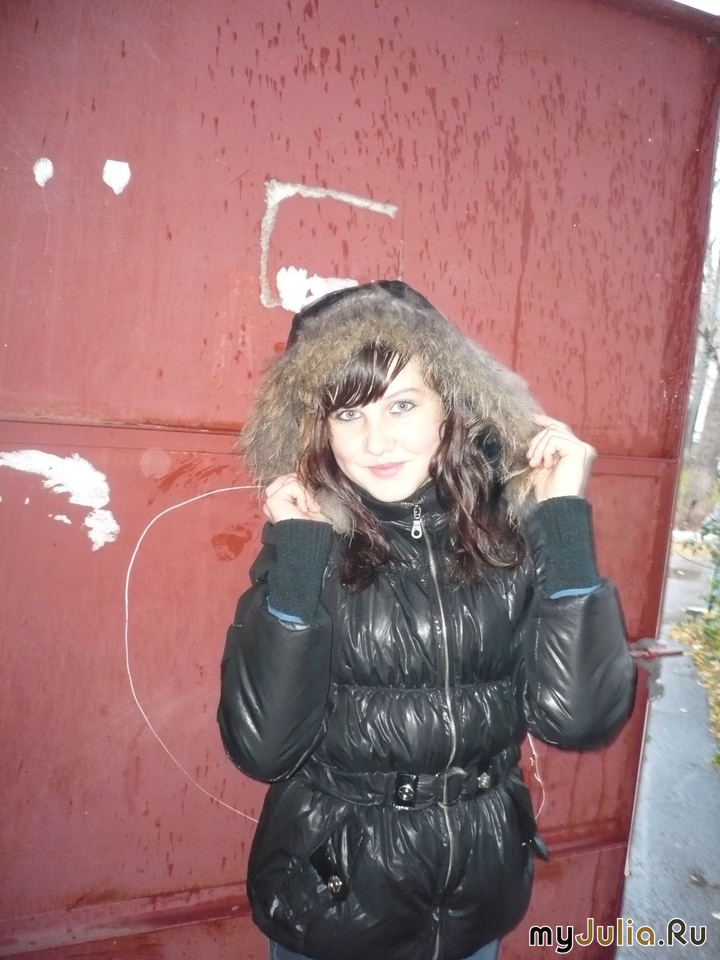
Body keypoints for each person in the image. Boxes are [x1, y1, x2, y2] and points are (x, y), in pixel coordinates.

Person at [218, 281, 636, 960]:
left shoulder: (509, 536)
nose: (376, 440)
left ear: (450, 402)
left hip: (475, 904)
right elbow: (263, 750)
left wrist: (561, 519)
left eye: (402, 405)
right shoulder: (307, 545)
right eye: (348, 414)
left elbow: (580, 721)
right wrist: (298, 557)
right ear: (318, 427)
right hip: (334, 905)